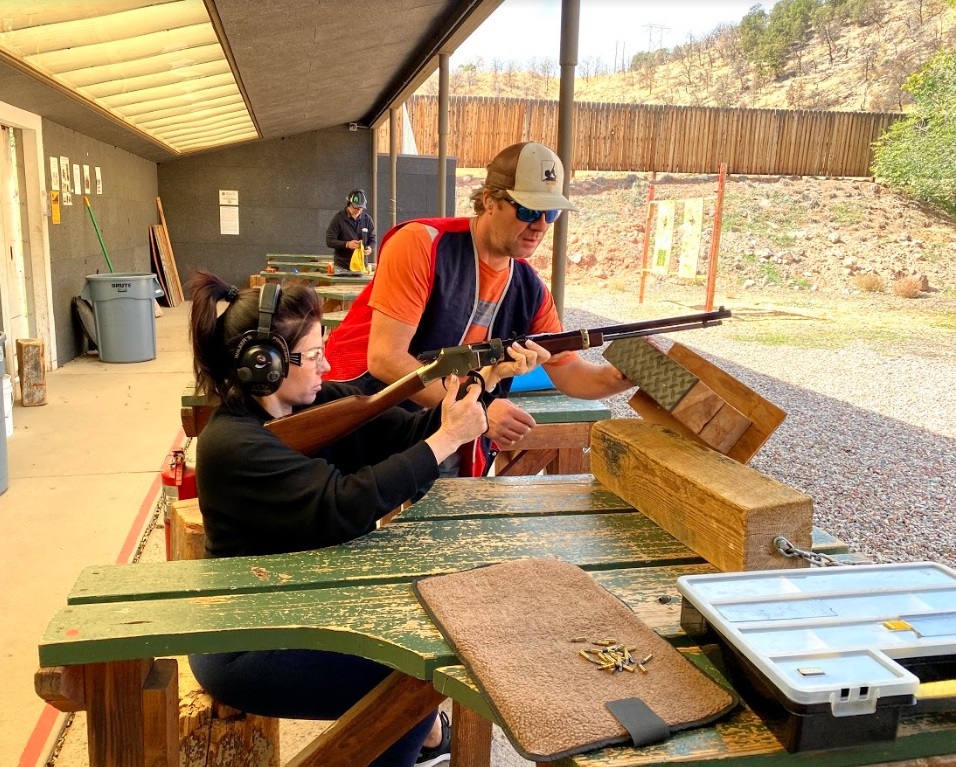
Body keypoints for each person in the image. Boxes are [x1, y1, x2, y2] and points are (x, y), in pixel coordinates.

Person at [186, 271, 546, 767]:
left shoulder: (305, 407)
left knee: (429, 642)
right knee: (422, 669)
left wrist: (486, 380)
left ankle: (420, 738)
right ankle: (410, 744)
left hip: (297, 603)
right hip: (245, 644)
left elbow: (407, 432)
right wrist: (447, 441)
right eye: (311, 356)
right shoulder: (232, 444)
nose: (326, 365)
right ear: (262, 365)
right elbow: (343, 506)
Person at [323, 141, 634, 476]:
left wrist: (623, 377)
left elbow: (571, 373)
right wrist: (479, 407)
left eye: (551, 213)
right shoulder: (421, 244)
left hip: (443, 421)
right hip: (361, 407)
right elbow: (385, 359)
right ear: (489, 201)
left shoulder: (530, 289)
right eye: (528, 210)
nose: (541, 225)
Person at [326, 188, 377, 270]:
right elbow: (329, 241)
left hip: (361, 264)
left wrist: (370, 248)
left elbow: (373, 239)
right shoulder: (338, 218)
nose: (359, 211)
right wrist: (347, 244)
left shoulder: (367, 219)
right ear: (349, 204)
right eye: (356, 208)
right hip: (342, 265)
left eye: (361, 209)